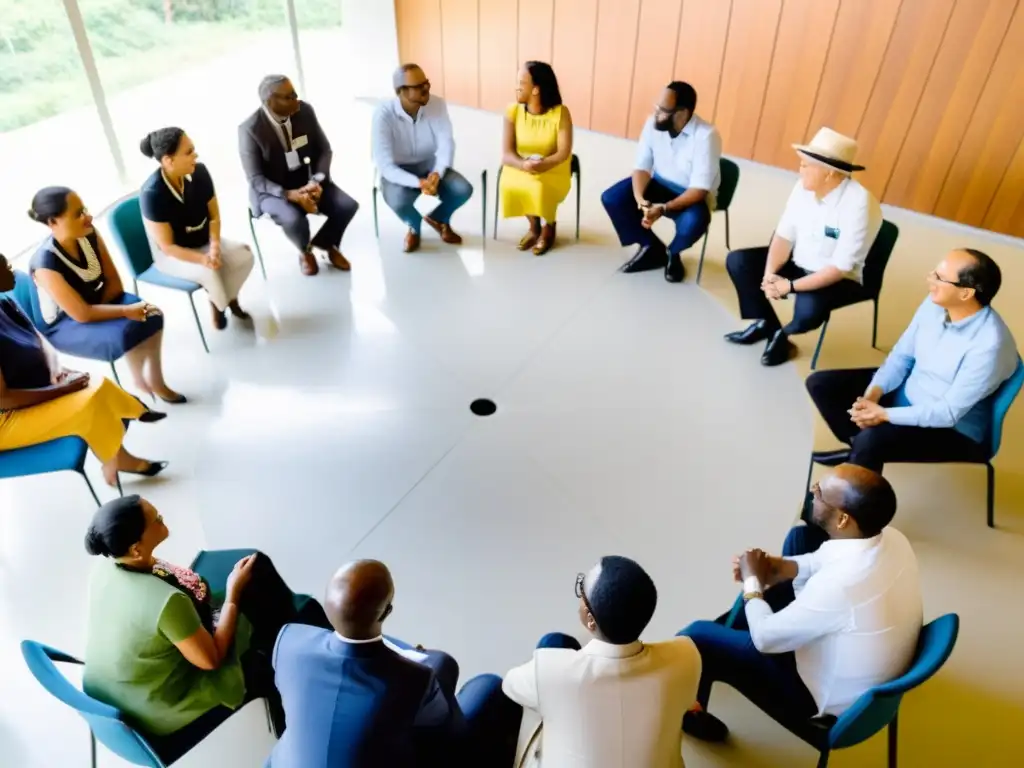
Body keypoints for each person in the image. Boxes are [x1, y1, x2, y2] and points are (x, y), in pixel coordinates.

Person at [679, 465, 922, 743]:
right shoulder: (892, 537)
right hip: (852, 657)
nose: (811, 491)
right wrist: (778, 568)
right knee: (800, 539)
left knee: (697, 635)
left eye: (819, 492)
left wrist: (752, 584)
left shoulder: (840, 586)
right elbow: (822, 560)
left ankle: (693, 710)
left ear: (843, 520)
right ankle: (728, 639)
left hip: (821, 704)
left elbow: (764, 639)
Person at [82, 496, 331, 764]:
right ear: (136, 549)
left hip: (124, 688)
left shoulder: (107, 565)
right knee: (271, 638)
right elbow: (212, 659)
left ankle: (303, 637)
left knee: (258, 569)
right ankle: (312, 669)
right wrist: (233, 594)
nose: (161, 517)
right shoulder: (167, 603)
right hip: (165, 708)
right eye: (156, 520)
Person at [270, 559, 518, 767]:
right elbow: (449, 732)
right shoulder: (413, 679)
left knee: (442, 667)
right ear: (387, 611)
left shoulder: (289, 642)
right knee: (488, 686)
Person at [806, 248, 1018, 473]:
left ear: (966, 293)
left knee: (872, 440)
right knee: (820, 384)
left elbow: (946, 413)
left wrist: (883, 414)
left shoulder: (989, 346)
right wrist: (872, 395)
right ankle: (857, 451)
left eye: (939, 278)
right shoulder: (934, 303)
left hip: (952, 429)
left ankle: (855, 493)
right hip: (910, 392)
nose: (930, 281)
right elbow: (902, 357)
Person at [503, 556, 701, 768]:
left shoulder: (548, 670)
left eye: (582, 589)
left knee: (552, 642)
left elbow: (509, 685)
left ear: (590, 618)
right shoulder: (686, 657)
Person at [0, 252, 166, 485]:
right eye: (5, 266)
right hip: (3, 421)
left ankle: (120, 449)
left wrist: (60, 372)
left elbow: (36, 346)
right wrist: (63, 390)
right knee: (88, 406)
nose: (11, 269)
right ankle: (117, 457)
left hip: (22, 388)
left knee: (97, 383)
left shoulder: (4, 302)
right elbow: (3, 400)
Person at [723, 128, 883, 366]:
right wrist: (770, 275)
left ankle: (784, 334)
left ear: (829, 173)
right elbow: (783, 236)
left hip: (838, 278)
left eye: (806, 165)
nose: (800, 170)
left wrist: (788, 286)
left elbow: (840, 268)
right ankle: (768, 322)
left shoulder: (859, 203)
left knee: (808, 312)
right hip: (801, 262)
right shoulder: (802, 188)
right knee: (739, 261)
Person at [27, 187, 184, 403]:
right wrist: (124, 311)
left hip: (96, 300)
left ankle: (154, 381)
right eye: (78, 214)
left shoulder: (89, 233)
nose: (88, 217)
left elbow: (114, 282)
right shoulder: (45, 265)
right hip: (64, 324)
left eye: (85, 210)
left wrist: (111, 309)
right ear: (53, 222)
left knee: (152, 315)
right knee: (129, 329)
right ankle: (135, 387)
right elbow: (81, 314)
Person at [601, 81, 721, 283]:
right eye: (657, 107)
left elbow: (699, 190)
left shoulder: (706, 136)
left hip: (689, 194)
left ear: (682, 112)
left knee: (694, 222)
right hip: (658, 183)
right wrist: (641, 200)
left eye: (663, 110)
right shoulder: (652, 123)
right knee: (613, 198)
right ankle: (652, 247)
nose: (656, 113)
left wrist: (663, 209)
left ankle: (673, 253)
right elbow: (641, 167)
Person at [239, 75, 358, 276]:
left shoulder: (304, 111)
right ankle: (305, 251)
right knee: (294, 220)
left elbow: (324, 150)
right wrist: (290, 195)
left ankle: (326, 244)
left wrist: (316, 181)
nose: (297, 100)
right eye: (290, 96)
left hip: (307, 180)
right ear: (270, 101)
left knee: (347, 205)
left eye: (295, 94)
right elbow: (256, 180)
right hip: (272, 191)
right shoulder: (250, 130)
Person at [140, 127, 254, 331]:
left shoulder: (199, 172)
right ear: (168, 160)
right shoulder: (152, 194)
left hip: (203, 241)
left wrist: (215, 245)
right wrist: (204, 259)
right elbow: (167, 247)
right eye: (189, 152)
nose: (195, 155)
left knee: (244, 255)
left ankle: (223, 297)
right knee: (212, 273)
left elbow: (214, 217)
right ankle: (222, 304)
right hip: (173, 255)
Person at [372, 64, 474, 253]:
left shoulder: (437, 104)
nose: (426, 88)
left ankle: (438, 218)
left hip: (429, 164)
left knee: (463, 189)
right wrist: (419, 183)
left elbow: (446, 144)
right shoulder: (383, 114)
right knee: (398, 201)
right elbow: (385, 165)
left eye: (426, 83)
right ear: (400, 91)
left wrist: (437, 172)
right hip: (398, 169)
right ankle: (414, 226)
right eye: (418, 86)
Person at [498, 61, 574, 256]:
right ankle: (534, 227)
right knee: (510, 184)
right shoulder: (512, 112)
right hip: (521, 164)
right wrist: (524, 165)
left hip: (553, 166)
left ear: (536, 90)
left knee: (538, 187)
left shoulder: (561, 113)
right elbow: (506, 154)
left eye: (521, 82)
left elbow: (564, 152)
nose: (517, 87)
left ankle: (549, 227)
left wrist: (544, 165)